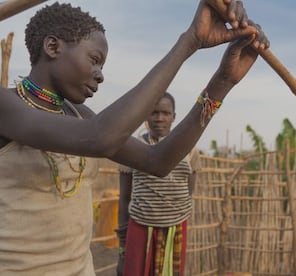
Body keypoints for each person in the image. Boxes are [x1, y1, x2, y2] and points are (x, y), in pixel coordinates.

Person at [0, 0, 269, 275]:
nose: (101, 75)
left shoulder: (77, 113)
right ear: (53, 47)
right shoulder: (5, 105)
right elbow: (101, 138)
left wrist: (223, 82)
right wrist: (189, 41)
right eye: (94, 60)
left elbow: (158, 161)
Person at [117, 92, 201, 276]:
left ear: (174, 117)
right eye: (154, 112)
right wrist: (123, 243)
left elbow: (189, 191)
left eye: (165, 113)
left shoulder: (188, 148)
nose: (159, 118)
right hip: (139, 225)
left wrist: (171, 209)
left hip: (175, 226)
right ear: (146, 115)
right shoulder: (131, 147)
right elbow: (124, 198)